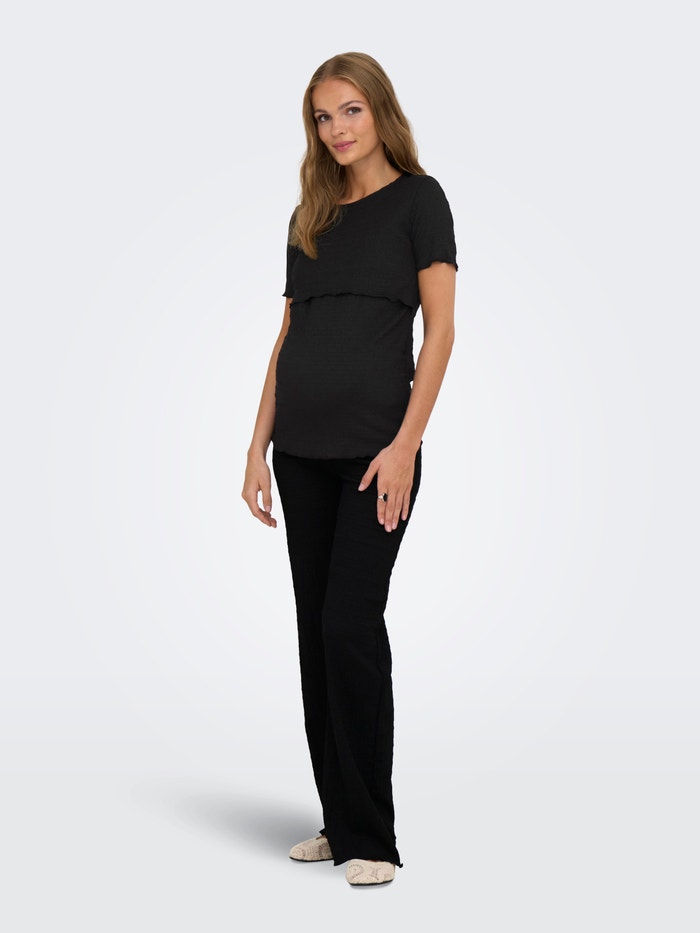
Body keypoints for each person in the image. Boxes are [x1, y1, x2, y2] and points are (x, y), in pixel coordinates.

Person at [241, 51, 457, 887]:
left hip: (376, 456)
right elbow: (287, 337)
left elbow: (440, 331)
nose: (336, 129)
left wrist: (405, 443)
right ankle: (339, 820)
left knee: (349, 627)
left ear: (380, 111)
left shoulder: (420, 201)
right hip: (299, 451)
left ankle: (374, 837)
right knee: (315, 636)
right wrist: (255, 446)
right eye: (323, 117)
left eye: (350, 110)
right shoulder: (311, 214)